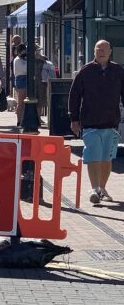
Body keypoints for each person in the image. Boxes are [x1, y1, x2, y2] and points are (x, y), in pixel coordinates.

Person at [69, 40, 124, 204]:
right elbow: (74, 96)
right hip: (91, 122)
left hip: (111, 122)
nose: (101, 52)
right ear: (94, 51)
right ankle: (94, 189)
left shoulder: (118, 70)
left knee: (107, 158)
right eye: (98, 49)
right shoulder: (85, 71)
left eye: (104, 49)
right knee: (94, 155)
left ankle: (101, 187)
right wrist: (74, 119)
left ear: (110, 51)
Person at [13, 43, 27, 127]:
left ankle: (24, 119)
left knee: (26, 102)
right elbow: (25, 69)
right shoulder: (17, 60)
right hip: (20, 79)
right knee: (21, 102)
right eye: (23, 51)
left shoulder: (24, 59)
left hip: (26, 78)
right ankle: (19, 120)